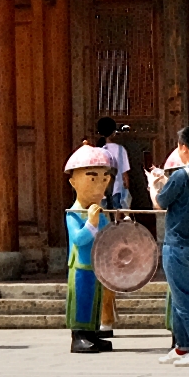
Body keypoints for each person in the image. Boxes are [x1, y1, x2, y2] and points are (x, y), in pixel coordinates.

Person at [146, 125, 189, 367]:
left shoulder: (181, 176)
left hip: (176, 243)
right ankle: (182, 347)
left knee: (184, 300)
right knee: (179, 296)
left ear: (184, 148)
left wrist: (153, 186)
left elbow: (160, 203)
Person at [62, 144, 117, 353]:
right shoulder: (74, 214)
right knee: (81, 299)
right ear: (73, 182)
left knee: (96, 300)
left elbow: (107, 236)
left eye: (104, 179)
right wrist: (91, 223)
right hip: (82, 265)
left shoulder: (100, 213)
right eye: (92, 179)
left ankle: (93, 332)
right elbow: (78, 239)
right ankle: (79, 335)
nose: (99, 186)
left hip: (98, 264)